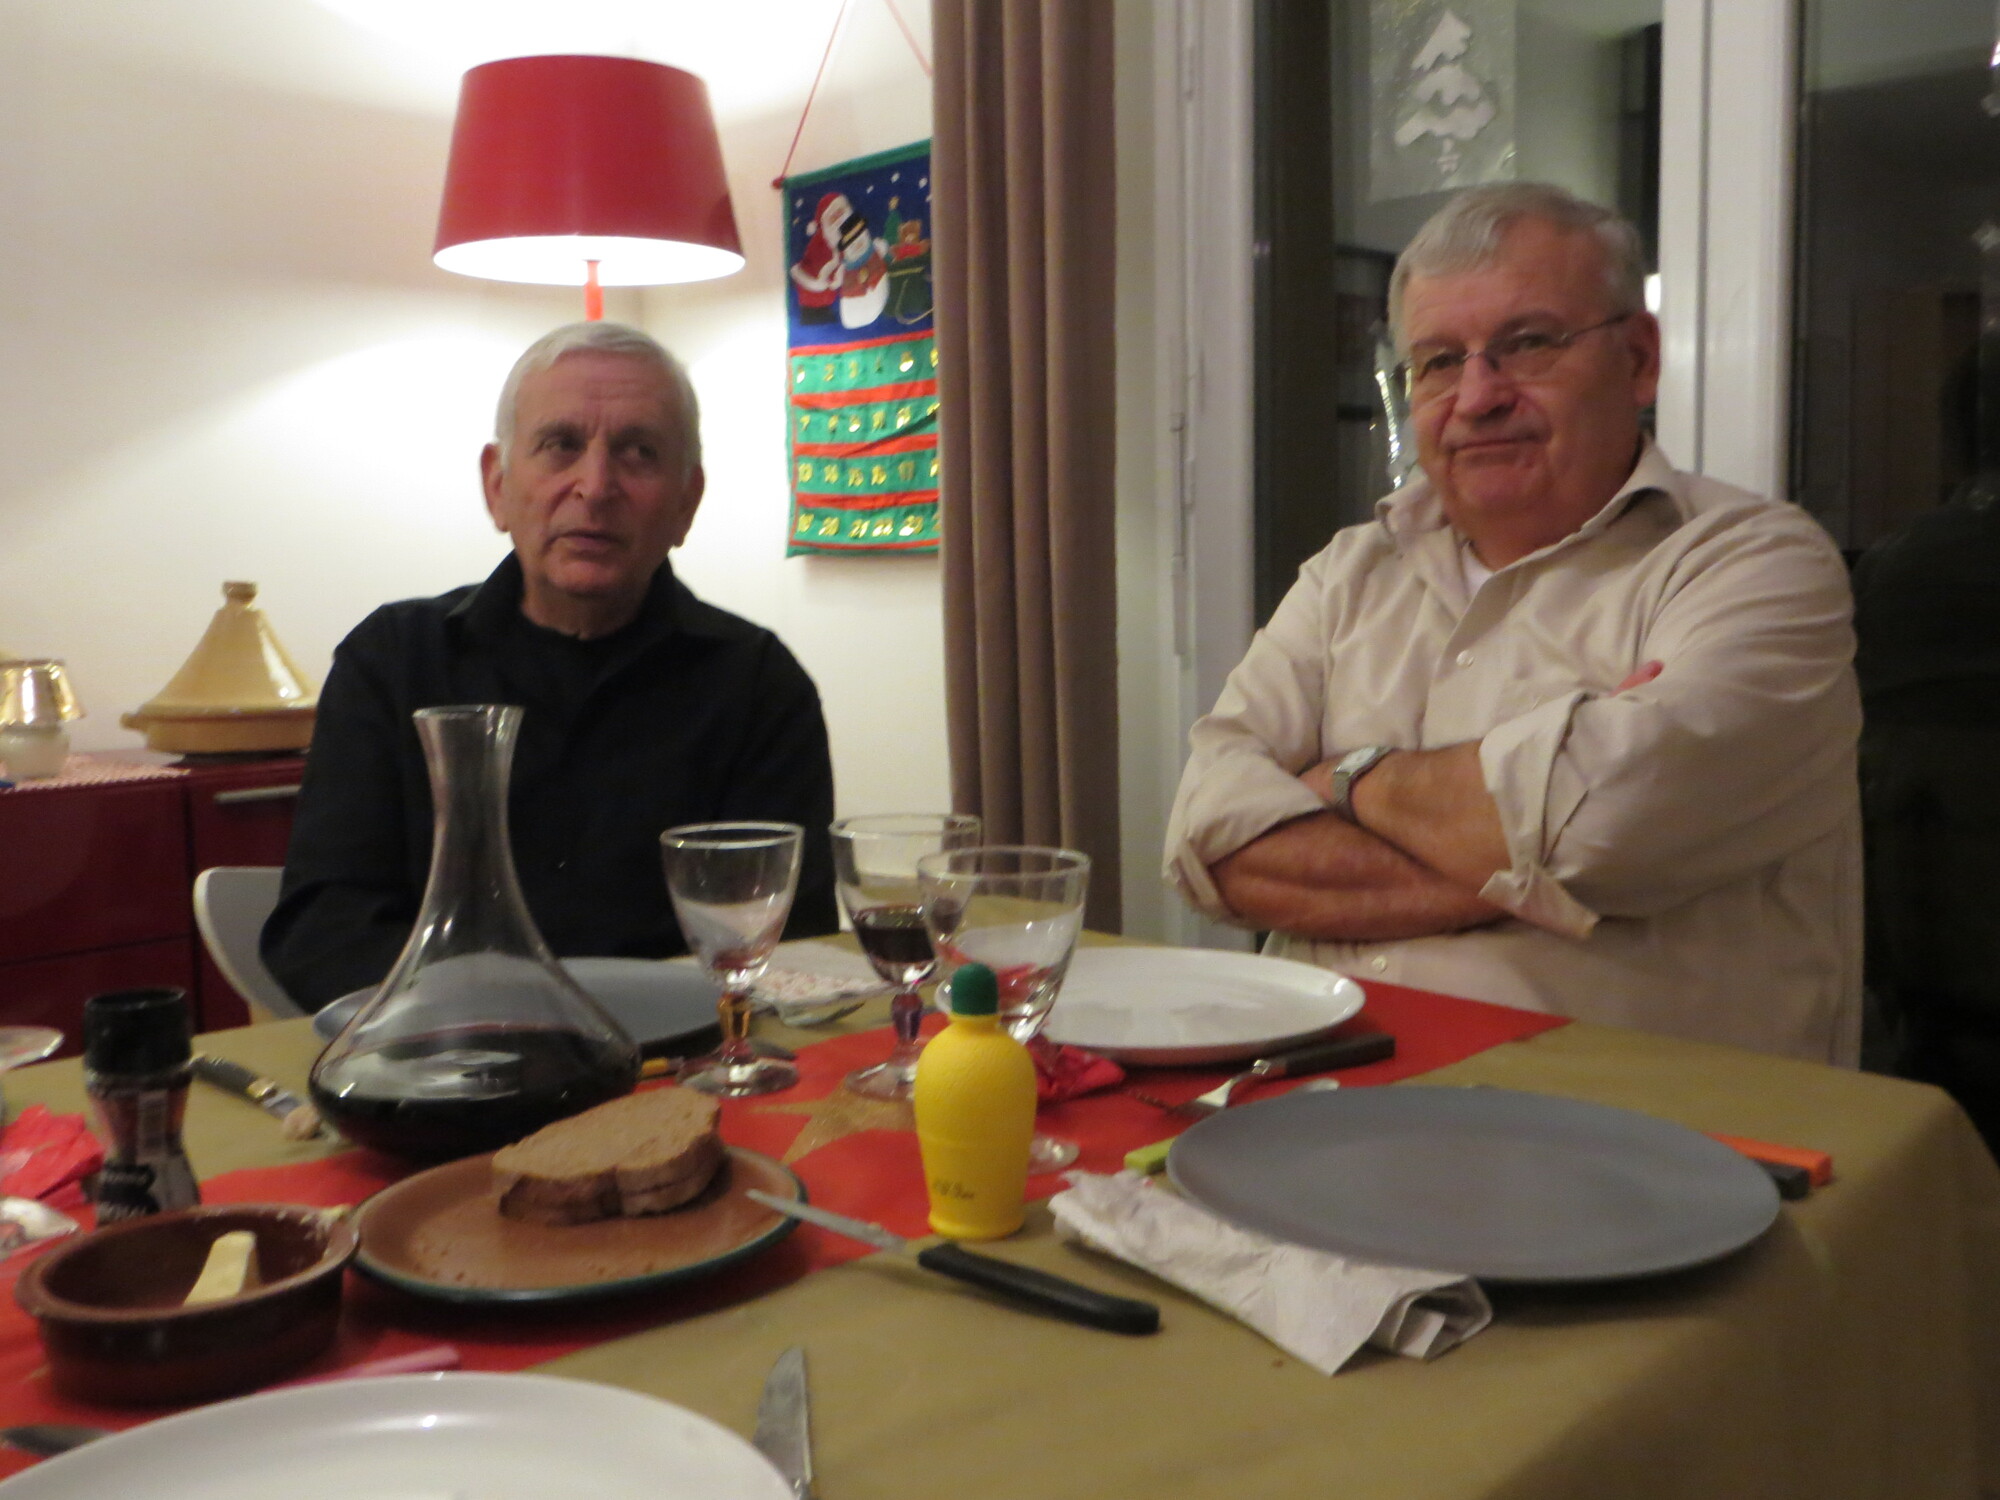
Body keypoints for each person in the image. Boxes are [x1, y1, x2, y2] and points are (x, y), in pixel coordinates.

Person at [1165, 183, 1862, 1064]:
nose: (1478, 396)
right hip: (1309, 1089)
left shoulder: (1754, 566)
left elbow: (1605, 825)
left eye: (1528, 344)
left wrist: (1348, 778)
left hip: (1629, 1121)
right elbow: (1210, 839)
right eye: (1438, 362)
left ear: (1639, 360)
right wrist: (1541, 859)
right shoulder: (1348, 574)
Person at [263, 322, 838, 1011]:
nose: (595, 486)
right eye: (561, 444)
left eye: (639, 452)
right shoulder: (391, 663)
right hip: (447, 1053)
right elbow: (323, 934)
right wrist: (518, 1017)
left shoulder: (759, 685)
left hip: (682, 1056)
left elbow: (785, 947)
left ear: (687, 502)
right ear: (497, 485)